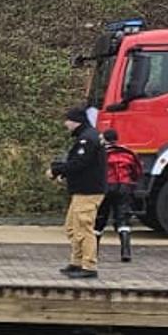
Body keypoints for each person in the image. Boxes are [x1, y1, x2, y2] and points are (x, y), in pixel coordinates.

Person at [49, 106, 106, 279]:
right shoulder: (87, 136)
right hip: (81, 191)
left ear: (76, 121)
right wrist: (63, 172)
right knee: (73, 228)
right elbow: (79, 164)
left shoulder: (87, 139)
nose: (65, 124)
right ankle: (76, 262)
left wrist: (56, 171)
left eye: (67, 120)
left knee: (84, 228)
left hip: (88, 191)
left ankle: (89, 266)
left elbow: (79, 163)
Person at [99, 129, 140, 262]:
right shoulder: (128, 153)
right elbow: (137, 171)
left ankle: (93, 251)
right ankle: (126, 251)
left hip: (106, 186)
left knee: (100, 219)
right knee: (123, 219)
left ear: (104, 139)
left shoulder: (101, 153)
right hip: (124, 187)